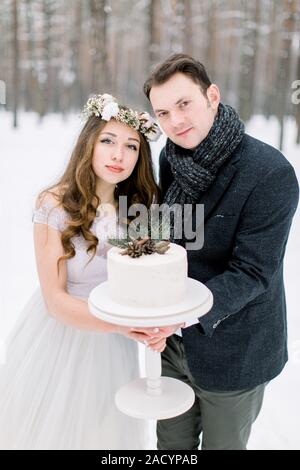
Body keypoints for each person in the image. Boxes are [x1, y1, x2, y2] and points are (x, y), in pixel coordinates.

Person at [141, 53, 299, 450]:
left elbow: (253, 272)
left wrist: (184, 313)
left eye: (184, 104)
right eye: (162, 113)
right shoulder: (170, 158)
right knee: (170, 447)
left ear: (212, 95)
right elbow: (173, 237)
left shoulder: (270, 172)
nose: (175, 121)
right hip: (172, 346)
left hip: (235, 351)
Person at [0, 94, 166, 450]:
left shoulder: (138, 210)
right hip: (62, 336)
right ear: (88, 143)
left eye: (131, 146)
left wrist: (155, 327)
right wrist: (119, 324)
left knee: (104, 432)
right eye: (108, 141)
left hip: (115, 346)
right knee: (55, 431)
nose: (119, 155)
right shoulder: (54, 205)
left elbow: (146, 283)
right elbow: (55, 300)